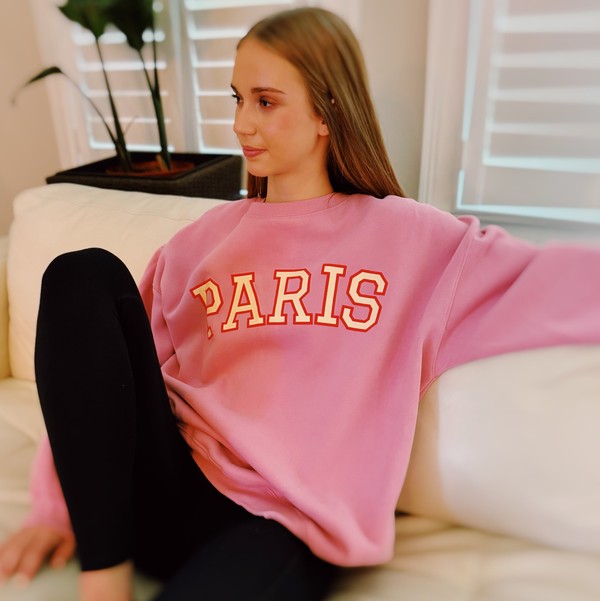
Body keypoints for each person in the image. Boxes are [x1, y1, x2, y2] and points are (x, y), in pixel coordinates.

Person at [0, 6, 599, 601]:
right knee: (82, 274)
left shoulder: (415, 241)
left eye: (265, 101)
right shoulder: (197, 244)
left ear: (325, 111)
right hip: (162, 485)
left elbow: (561, 280)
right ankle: (103, 587)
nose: (241, 124)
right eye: (237, 98)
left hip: (280, 525)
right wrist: (58, 507)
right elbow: (101, 382)